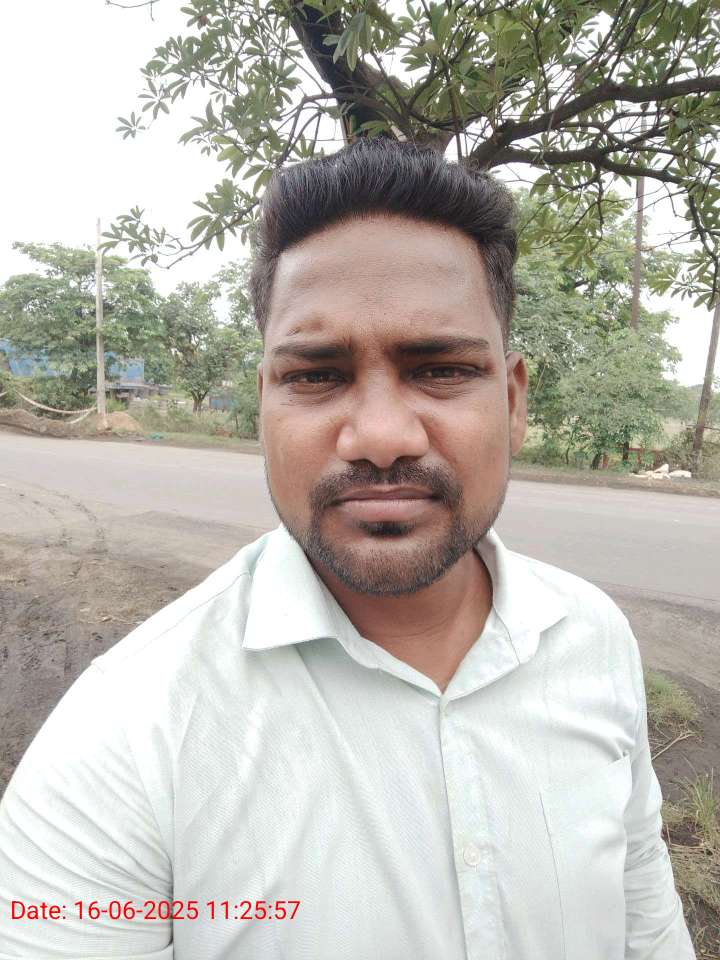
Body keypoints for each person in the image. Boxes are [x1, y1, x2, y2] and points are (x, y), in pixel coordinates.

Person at [0, 138, 695, 960]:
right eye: (316, 375)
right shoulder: (125, 733)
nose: (381, 436)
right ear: (264, 402)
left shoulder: (593, 637)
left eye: (440, 369)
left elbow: (646, 930)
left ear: (512, 402)